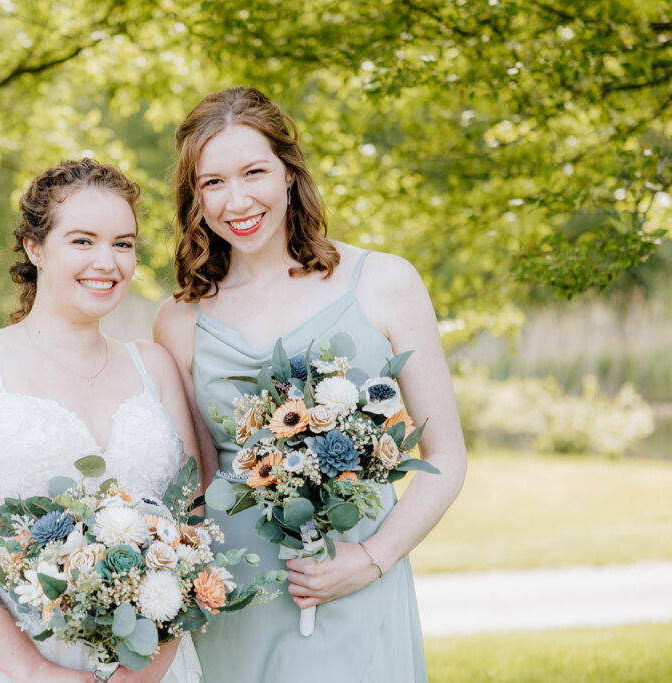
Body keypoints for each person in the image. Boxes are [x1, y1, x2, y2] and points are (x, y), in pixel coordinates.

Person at [154, 87, 467, 682]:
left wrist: (370, 561)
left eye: (254, 172)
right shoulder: (179, 319)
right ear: (194, 198)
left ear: (290, 175)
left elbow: (447, 457)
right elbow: (195, 482)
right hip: (239, 593)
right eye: (213, 182)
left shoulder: (385, 282)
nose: (237, 200)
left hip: (353, 577)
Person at [0, 159, 203, 682]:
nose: (107, 262)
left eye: (124, 243)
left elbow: (191, 525)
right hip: (0, 662)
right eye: (83, 241)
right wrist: (34, 670)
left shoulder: (154, 366)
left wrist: (153, 663)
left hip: (145, 665)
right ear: (34, 248)